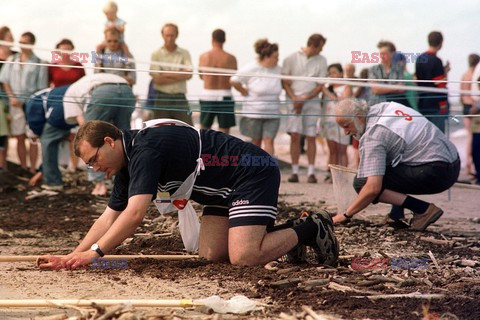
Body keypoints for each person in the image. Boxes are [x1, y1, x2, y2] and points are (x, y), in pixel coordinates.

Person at [36, 119, 339, 269]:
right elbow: (110, 215)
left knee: (244, 258)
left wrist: (96, 254)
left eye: (93, 160)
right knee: (210, 255)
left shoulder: (144, 150)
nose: (94, 168)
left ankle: (312, 225)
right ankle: (279, 233)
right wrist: (73, 254)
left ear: (109, 142)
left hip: (250, 171)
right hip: (220, 192)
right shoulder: (126, 161)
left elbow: (134, 214)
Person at [332, 98, 460, 230]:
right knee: (387, 166)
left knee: (362, 182)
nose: (346, 132)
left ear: (359, 117)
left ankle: (423, 210)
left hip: (437, 172)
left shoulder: (373, 137)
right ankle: (396, 215)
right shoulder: (384, 107)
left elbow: (372, 188)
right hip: (453, 162)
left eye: (347, 126)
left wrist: (346, 214)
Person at [63, 73, 136, 195]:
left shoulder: (68, 95)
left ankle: (99, 185)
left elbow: (85, 129)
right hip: (127, 90)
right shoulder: (83, 84)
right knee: (123, 138)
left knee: (89, 142)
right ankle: (127, 181)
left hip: (103, 92)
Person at [0, 31, 48, 174]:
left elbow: (41, 87)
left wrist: (28, 102)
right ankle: (23, 167)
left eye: (25, 42)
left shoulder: (40, 63)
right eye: (20, 42)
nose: (22, 45)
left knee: (32, 137)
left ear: (32, 44)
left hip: (32, 105)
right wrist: (12, 97)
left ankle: (33, 168)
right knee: (19, 136)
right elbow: (5, 80)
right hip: (14, 104)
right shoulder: (12, 60)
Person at [282, 34, 328, 183]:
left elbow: (320, 85)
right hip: (293, 101)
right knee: (295, 136)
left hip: (312, 102)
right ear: (314, 45)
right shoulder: (290, 58)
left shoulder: (322, 60)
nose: (322, 50)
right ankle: (295, 171)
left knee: (311, 136)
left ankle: (311, 172)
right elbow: (285, 82)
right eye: (321, 46)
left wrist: (304, 99)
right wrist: (295, 99)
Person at [230, 39, 282, 155]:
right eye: (275, 57)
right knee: (255, 142)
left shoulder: (279, 69)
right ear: (266, 57)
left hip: (273, 112)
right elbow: (234, 80)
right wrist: (243, 91)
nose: (278, 59)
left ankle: (269, 168)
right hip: (253, 112)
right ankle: (254, 170)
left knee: (269, 140)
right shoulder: (251, 68)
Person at [25, 86, 77, 190]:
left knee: (49, 141)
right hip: (72, 101)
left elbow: (45, 140)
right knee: (56, 140)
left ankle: (52, 183)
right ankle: (56, 172)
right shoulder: (40, 96)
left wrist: (42, 171)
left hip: (61, 107)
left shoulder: (31, 107)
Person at [49, 38, 86, 172]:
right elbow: (48, 87)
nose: (65, 52)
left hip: (75, 103)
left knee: (75, 136)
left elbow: (83, 85)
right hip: (58, 104)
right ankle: (60, 165)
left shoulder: (78, 65)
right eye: (62, 49)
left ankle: (74, 166)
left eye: (68, 48)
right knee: (60, 134)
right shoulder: (52, 66)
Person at [149, 23, 193, 125]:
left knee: (188, 129)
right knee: (159, 131)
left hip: (180, 97)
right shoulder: (156, 54)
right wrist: (179, 74)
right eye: (167, 35)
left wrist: (165, 74)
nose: (169, 38)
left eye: (172, 35)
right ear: (162, 36)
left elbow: (189, 74)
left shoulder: (184, 53)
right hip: (161, 97)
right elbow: (157, 79)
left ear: (176, 35)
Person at [199, 29, 237, 134]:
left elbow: (201, 76)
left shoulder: (204, 57)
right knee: (224, 132)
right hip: (225, 95)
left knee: (204, 130)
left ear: (212, 39)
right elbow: (233, 78)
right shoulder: (231, 58)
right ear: (224, 40)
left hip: (208, 94)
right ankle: (222, 150)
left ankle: (205, 150)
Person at [320, 64, 352, 181]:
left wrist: (324, 89)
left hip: (342, 122)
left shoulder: (346, 87)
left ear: (340, 73)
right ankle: (332, 175)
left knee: (342, 150)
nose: (331, 75)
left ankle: (343, 175)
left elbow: (343, 100)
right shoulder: (327, 89)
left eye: (334, 72)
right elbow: (322, 105)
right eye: (330, 73)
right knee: (332, 150)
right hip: (328, 122)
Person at [415, 31, 450, 133]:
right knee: (438, 136)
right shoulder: (436, 60)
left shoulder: (420, 58)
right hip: (435, 103)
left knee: (425, 136)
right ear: (441, 43)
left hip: (422, 102)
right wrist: (445, 73)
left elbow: (419, 79)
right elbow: (441, 84)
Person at [368, 41, 408, 107]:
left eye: (384, 54)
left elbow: (401, 88)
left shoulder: (398, 69)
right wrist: (395, 87)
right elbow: (376, 89)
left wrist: (382, 88)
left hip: (394, 106)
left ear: (392, 54)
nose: (381, 56)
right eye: (380, 54)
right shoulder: (373, 69)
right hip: (376, 105)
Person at [460, 53, 480, 178]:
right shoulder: (471, 76)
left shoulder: (465, 75)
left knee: (471, 137)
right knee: (472, 137)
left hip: (468, 107)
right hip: (470, 107)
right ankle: (470, 165)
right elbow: (465, 97)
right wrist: (476, 103)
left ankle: (470, 166)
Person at [0, 26, 16, 172]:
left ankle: (4, 165)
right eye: (9, 36)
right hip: (1, 101)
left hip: (14, 100)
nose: (12, 39)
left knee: (7, 135)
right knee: (1, 132)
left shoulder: (16, 56)